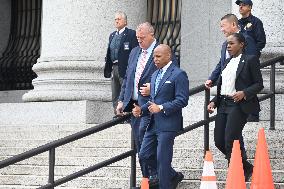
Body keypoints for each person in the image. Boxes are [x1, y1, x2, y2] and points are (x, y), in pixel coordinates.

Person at [207, 33, 264, 182]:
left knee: (230, 139)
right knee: (219, 140)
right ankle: (246, 166)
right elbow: (224, 86)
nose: (228, 46)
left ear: (242, 44)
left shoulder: (250, 60)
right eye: (227, 44)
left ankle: (236, 172)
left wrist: (244, 93)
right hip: (224, 104)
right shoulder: (226, 62)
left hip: (239, 105)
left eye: (232, 43)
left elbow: (259, 84)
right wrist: (214, 101)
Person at [132, 44, 189, 189]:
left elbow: (182, 100)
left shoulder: (178, 74)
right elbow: (153, 101)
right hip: (153, 124)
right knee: (144, 154)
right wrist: (141, 110)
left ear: (168, 56)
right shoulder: (155, 74)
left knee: (163, 160)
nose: (155, 60)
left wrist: (162, 107)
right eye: (154, 57)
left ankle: (166, 183)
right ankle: (173, 176)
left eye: (158, 56)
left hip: (168, 124)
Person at [116, 22, 159, 186]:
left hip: (150, 106)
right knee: (140, 145)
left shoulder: (162, 51)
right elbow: (128, 78)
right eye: (137, 38)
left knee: (146, 144)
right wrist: (121, 100)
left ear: (151, 35)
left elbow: (171, 76)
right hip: (133, 106)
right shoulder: (135, 52)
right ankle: (147, 179)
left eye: (142, 38)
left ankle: (156, 176)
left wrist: (153, 87)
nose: (139, 41)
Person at [205, 14, 257, 88]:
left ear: (233, 24)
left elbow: (252, 62)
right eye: (220, 27)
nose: (221, 29)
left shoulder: (246, 39)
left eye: (223, 26)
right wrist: (211, 79)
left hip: (242, 88)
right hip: (226, 87)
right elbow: (221, 64)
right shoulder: (224, 44)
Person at [236, 0, 266, 122]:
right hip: (238, 59)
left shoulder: (256, 22)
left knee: (252, 85)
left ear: (250, 7)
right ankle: (243, 112)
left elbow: (261, 41)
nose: (240, 7)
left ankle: (253, 114)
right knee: (241, 85)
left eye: (243, 4)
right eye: (239, 5)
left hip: (250, 59)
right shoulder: (237, 23)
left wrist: (253, 54)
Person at [104, 11, 138, 114]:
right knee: (115, 93)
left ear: (125, 21)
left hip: (125, 68)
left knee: (126, 92)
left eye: (119, 19)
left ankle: (127, 114)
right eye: (115, 19)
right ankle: (117, 114)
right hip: (114, 67)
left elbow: (135, 51)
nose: (117, 21)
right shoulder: (112, 35)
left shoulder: (131, 34)